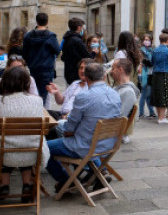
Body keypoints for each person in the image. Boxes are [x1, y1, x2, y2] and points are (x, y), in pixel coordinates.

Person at [45, 63, 121, 193]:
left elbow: (71, 125)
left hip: (85, 146)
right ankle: (99, 174)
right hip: (107, 144)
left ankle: (66, 181)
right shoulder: (114, 94)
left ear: (86, 77)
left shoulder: (84, 96)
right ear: (103, 76)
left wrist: (68, 132)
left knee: (43, 148)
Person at [0, 66, 49, 202]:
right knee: (23, 141)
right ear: (26, 83)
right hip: (33, 152)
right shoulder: (37, 101)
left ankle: (4, 184)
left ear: (4, 82)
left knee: (5, 142)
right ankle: (27, 184)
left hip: (4, 154)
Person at [22, 13, 60, 105]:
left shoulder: (28, 36)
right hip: (46, 69)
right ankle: (41, 113)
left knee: (33, 92)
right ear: (47, 22)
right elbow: (58, 51)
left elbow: (24, 53)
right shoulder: (51, 36)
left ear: (37, 21)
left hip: (33, 68)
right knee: (44, 95)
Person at [110, 58, 140, 144]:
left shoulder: (128, 91)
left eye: (113, 68)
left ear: (120, 70)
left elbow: (120, 116)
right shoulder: (118, 88)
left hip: (108, 129)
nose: (111, 71)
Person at [151, 33, 168, 124]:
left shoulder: (155, 50)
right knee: (165, 95)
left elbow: (152, 62)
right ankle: (161, 118)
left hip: (156, 73)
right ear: (167, 40)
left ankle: (160, 116)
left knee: (157, 94)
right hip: (165, 73)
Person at [61, 17, 91, 85]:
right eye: (82, 27)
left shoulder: (67, 39)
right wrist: (94, 53)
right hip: (76, 73)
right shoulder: (77, 41)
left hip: (68, 72)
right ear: (79, 27)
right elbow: (87, 57)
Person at [138, 34, 156, 119]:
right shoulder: (141, 50)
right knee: (144, 94)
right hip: (144, 74)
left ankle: (151, 111)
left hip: (151, 73)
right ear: (142, 41)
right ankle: (141, 112)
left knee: (149, 94)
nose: (146, 41)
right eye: (145, 39)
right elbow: (146, 62)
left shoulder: (152, 50)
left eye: (148, 40)